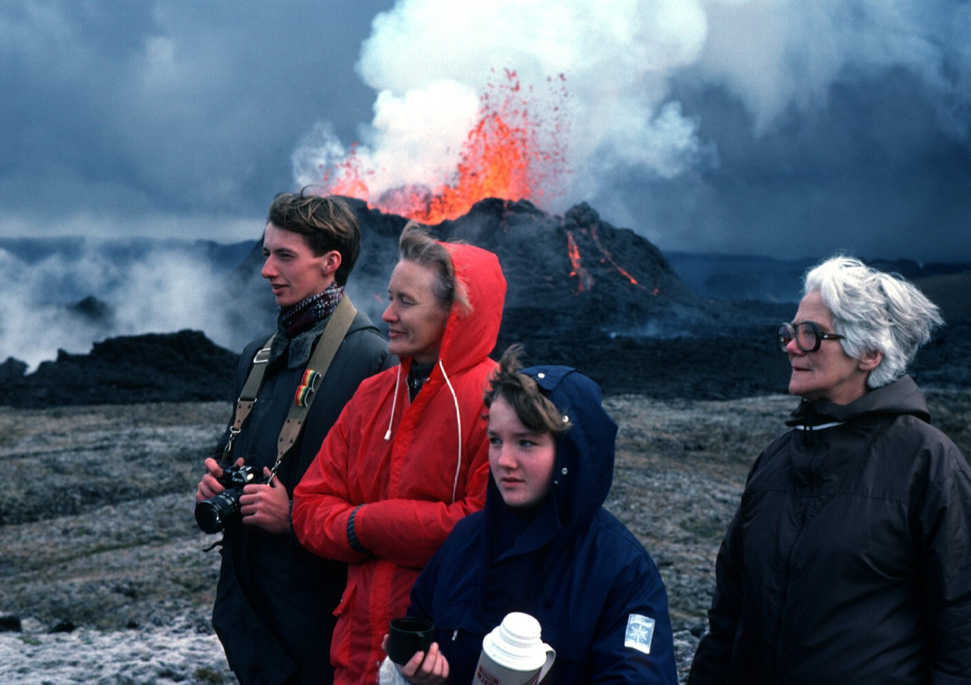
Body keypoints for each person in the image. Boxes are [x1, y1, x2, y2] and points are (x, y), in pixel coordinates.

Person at [689, 256, 971, 684]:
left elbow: (967, 638)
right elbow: (728, 616)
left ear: (870, 354)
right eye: (790, 331)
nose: (791, 345)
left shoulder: (928, 463)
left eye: (811, 334)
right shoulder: (775, 461)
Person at [383, 346, 679, 684]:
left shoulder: (622, 570)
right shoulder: (465, 542)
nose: (504, 460)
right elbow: (418, 638)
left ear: (570, 453)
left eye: (526, 443)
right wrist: (415, 676)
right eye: (496, 440)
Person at [292, 222, 507, 685]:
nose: (386, 314)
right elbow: (308, 509)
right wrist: (360, 525)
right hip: (356, 654)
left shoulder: (498, 404)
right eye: (389, 297)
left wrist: (366, 522)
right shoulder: (373, 395)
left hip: (444, 658)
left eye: (406, 302)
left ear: (456, 312)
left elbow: (482, 527)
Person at [195, 191, 395, 684]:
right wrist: (218, 484)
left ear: (331, 263)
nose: (266, 270)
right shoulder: (258, 356)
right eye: (266, 253)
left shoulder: (373, 362)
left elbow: (382, 507)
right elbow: (241, 454)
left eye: (284, 256)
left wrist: (297, 520)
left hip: (316, 619)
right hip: (248, 610)